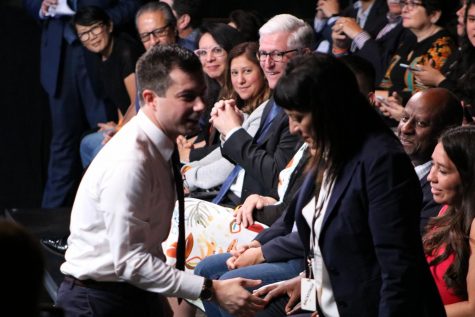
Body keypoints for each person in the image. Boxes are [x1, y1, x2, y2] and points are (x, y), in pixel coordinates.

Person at [55, 44, 265, 317]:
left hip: (133, 291)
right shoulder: (130, 161)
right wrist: (211, 289)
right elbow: (131, 263)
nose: (201, 105)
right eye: (187, 97)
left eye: (201, 94)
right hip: (99, 301)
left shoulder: (159, 144)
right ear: (150, 98)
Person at [253, 53, 445, 316]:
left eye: (298, 117)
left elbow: (398, 270)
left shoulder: (382, 161)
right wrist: (310, 296)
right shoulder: (328, 149)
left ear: (330, 110)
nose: (293, 128)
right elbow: (316, 250)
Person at [23, 0, 140, 208]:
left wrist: (102, 24)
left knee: (105, 140)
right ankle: (48, 223)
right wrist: (40, 6)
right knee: (62, 144)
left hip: (98, 46)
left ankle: (108, 212)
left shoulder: (120, 51)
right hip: (59, 54)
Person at [207, 14, 313, 207]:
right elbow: (239, 157)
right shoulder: (275, 100)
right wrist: (231, 130)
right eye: (263, 54)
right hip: (233, 201)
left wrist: (234, 132)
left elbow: (277, 177)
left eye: (278, 54)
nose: (268, 63)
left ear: (304, 54)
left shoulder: (304, 108)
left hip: (256, 212)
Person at [182, 42, 271, 193]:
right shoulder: (239, 107)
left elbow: (233, 161)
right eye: (234, 73)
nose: (240, 80)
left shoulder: (266, 111)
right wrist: (189, 169)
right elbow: (226, 151)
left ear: (263, 72)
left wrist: (189, 177)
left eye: (247, 71)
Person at [73, 6, 144, 167]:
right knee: (87, 143)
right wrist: (118, 124)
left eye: (95, 29)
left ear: (109, 26)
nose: (91, 37)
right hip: (126, 125)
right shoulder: (102, 58)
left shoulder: (126, 52)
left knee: (101, 150)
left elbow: (137, 104)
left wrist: (119, 130)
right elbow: (121, 101)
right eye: (84, 34)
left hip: (137, 127)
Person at [423, 125, 475, 315]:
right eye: (432, 165)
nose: (430, 177)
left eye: (443, 171)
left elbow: (473, 309)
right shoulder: (448, 208)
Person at [377, 0, 456, 123]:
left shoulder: (443, 45)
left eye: (413, 4)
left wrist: (394, 97)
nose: (404, 10)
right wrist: (387, 99)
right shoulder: (409, 40)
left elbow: (426, 94)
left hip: (419, 121)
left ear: (434, 14)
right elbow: (386, 82)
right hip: (392, 114)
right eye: (404, 4)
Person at [397, 88, 463, 234]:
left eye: (421, 123)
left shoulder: (441, 191)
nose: (406, 128)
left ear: (446, 130)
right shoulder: (390, 166)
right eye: (404, 118)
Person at [178, 22, 245, 163]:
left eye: (217, 50)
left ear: (233, 51)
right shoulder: (213, 90)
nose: (209, 58)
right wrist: (190, 146)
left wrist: (189, 154)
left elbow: (232, 146)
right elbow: (209, 136)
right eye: (202, 52)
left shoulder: (244, 92)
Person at [415, 0, 475, 118]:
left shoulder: (444, 44)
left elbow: (470, 108)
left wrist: (439, 80)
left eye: (413, 4)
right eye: (472, 19)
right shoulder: (464, 52)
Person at [331, 0, 412, 83]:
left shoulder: (412, 30)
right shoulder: (380, 19)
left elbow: (388, 72)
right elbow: (358, 62)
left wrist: (358, 35)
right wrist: (341, 49)